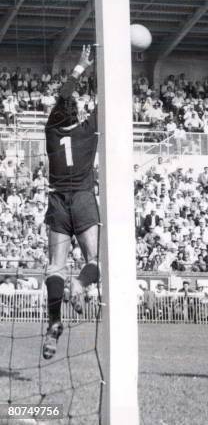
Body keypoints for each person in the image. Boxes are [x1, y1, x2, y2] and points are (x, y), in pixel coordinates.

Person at [42, 45, 100, 360]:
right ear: (77, 115)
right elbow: (106, 105)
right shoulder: (88, 132)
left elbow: (64, 96)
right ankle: (80, 285)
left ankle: (53, 321)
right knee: (94, 261)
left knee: (54, 266)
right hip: (82, 199)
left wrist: (79, 68)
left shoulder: (50, 131)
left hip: (57, 202)